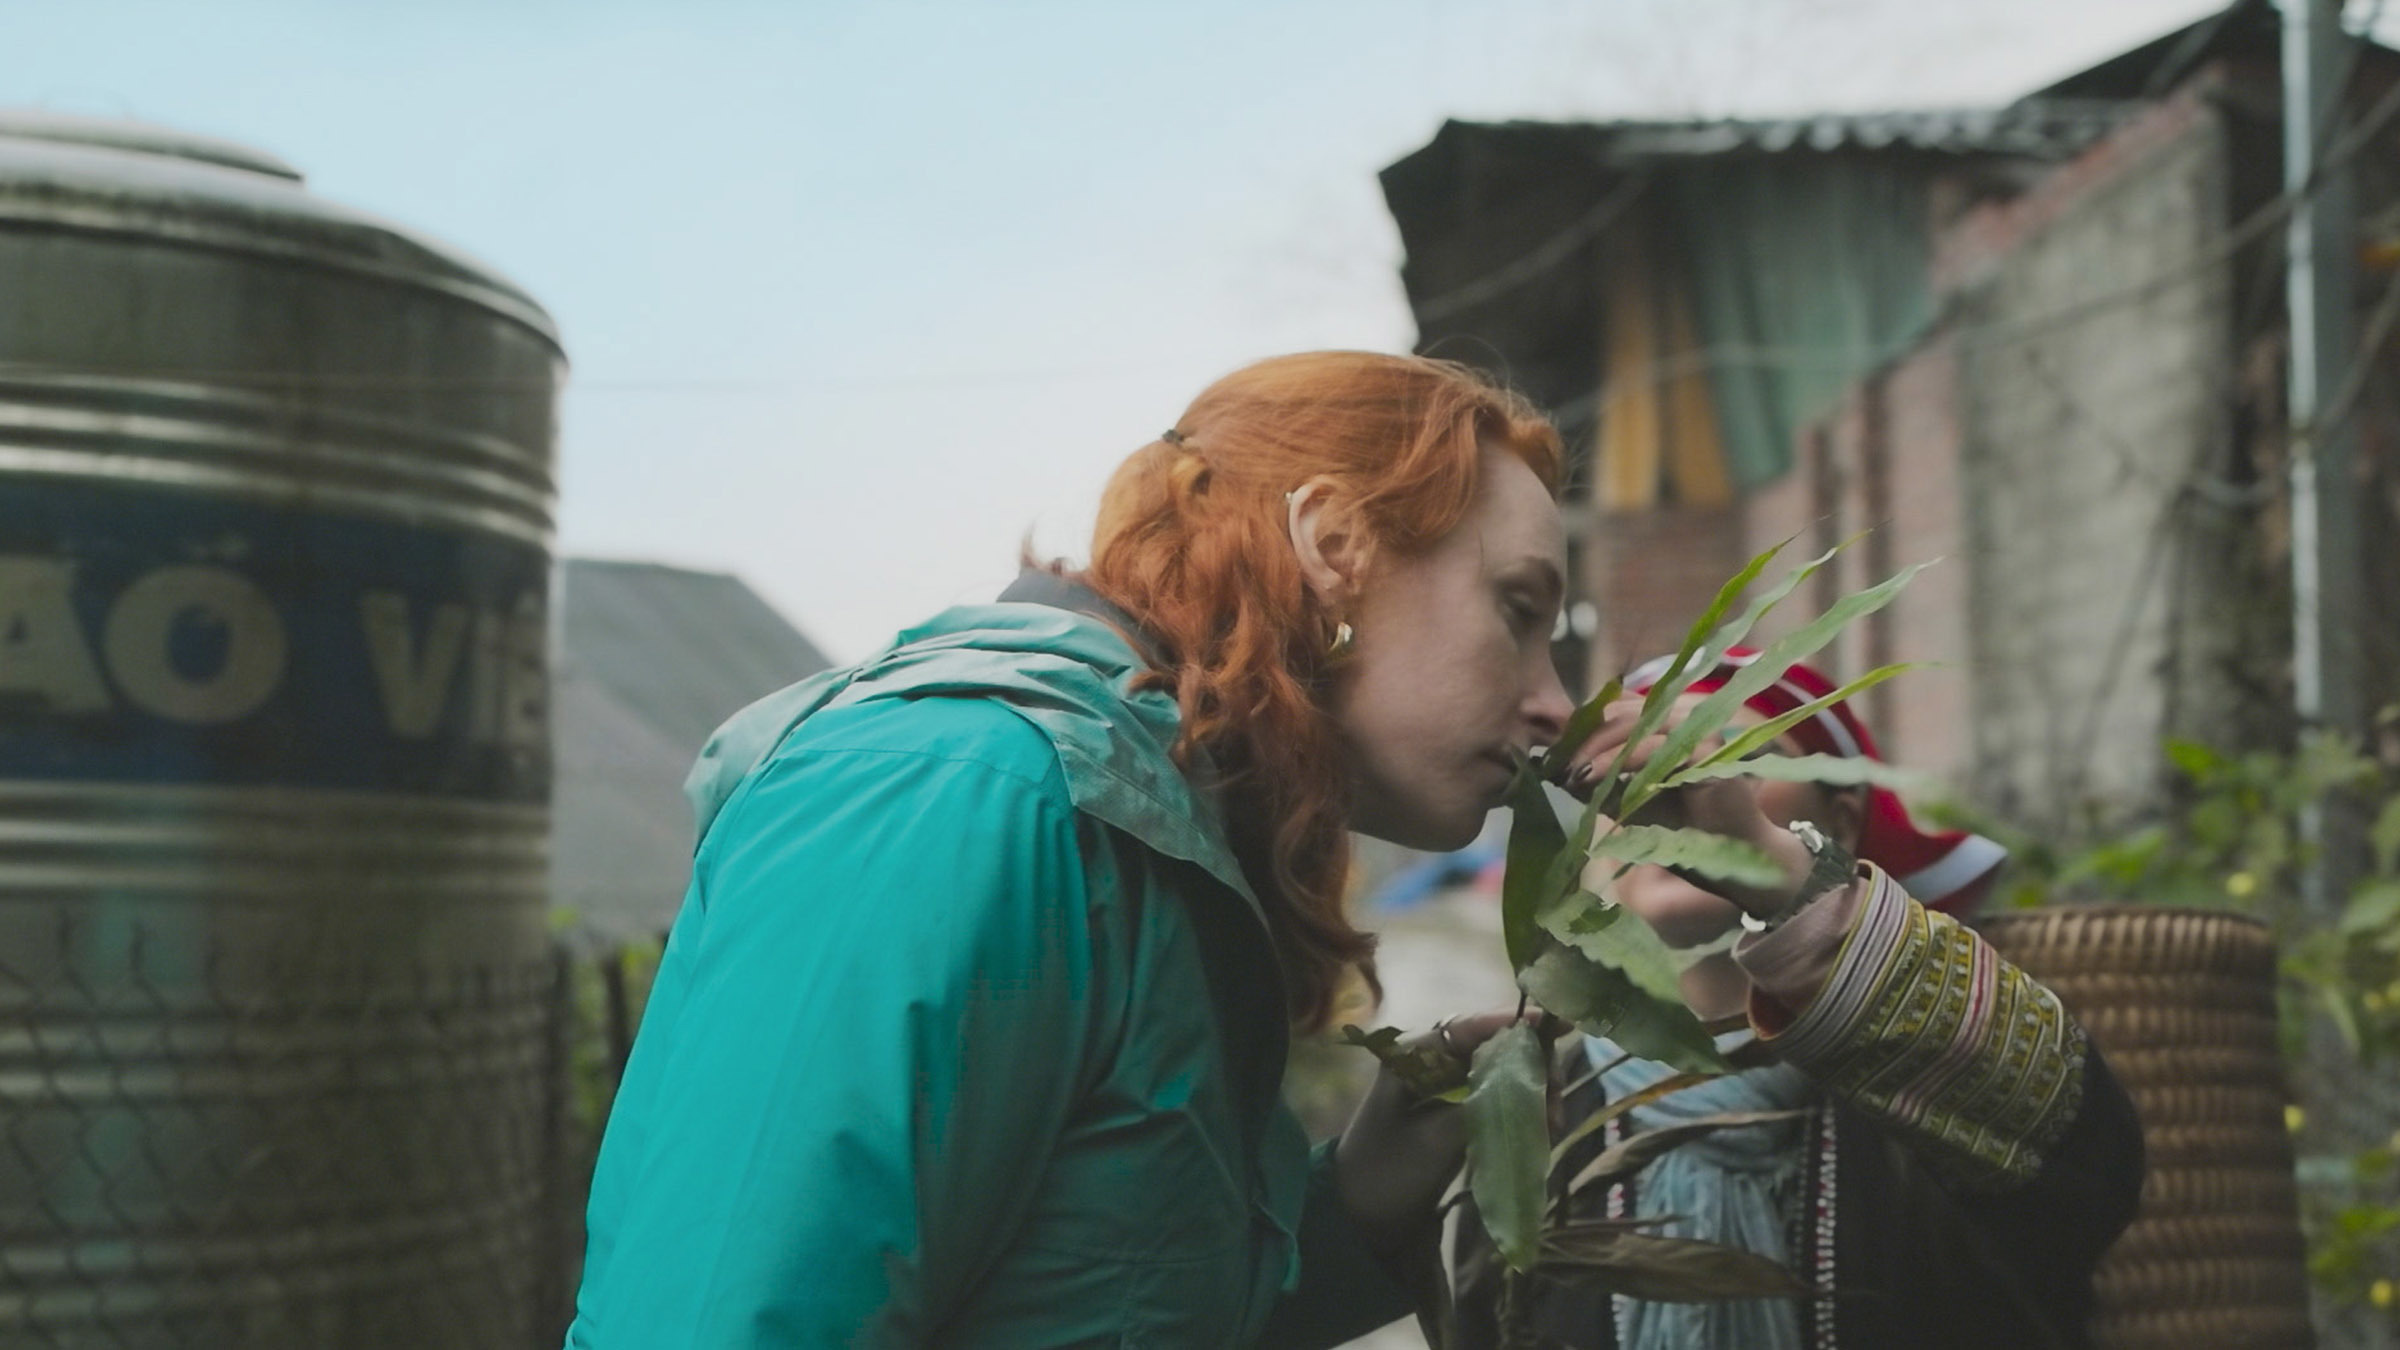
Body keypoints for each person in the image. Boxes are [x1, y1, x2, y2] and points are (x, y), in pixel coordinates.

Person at [564, 351, 1580, 1347]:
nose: (1556, 705)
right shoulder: (960, 790)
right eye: (1518, 610)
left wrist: (1359, 1199)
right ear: (1335, 544)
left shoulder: (1155, 832)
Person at [1456, 650, 2146, 1350]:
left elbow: (2087, 1161)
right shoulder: (1542, 1109)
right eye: (1626, 780)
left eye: (1738, 758)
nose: (1670, 793)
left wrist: (1783, 878)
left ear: (1838, 823)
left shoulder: (1926, 1085)